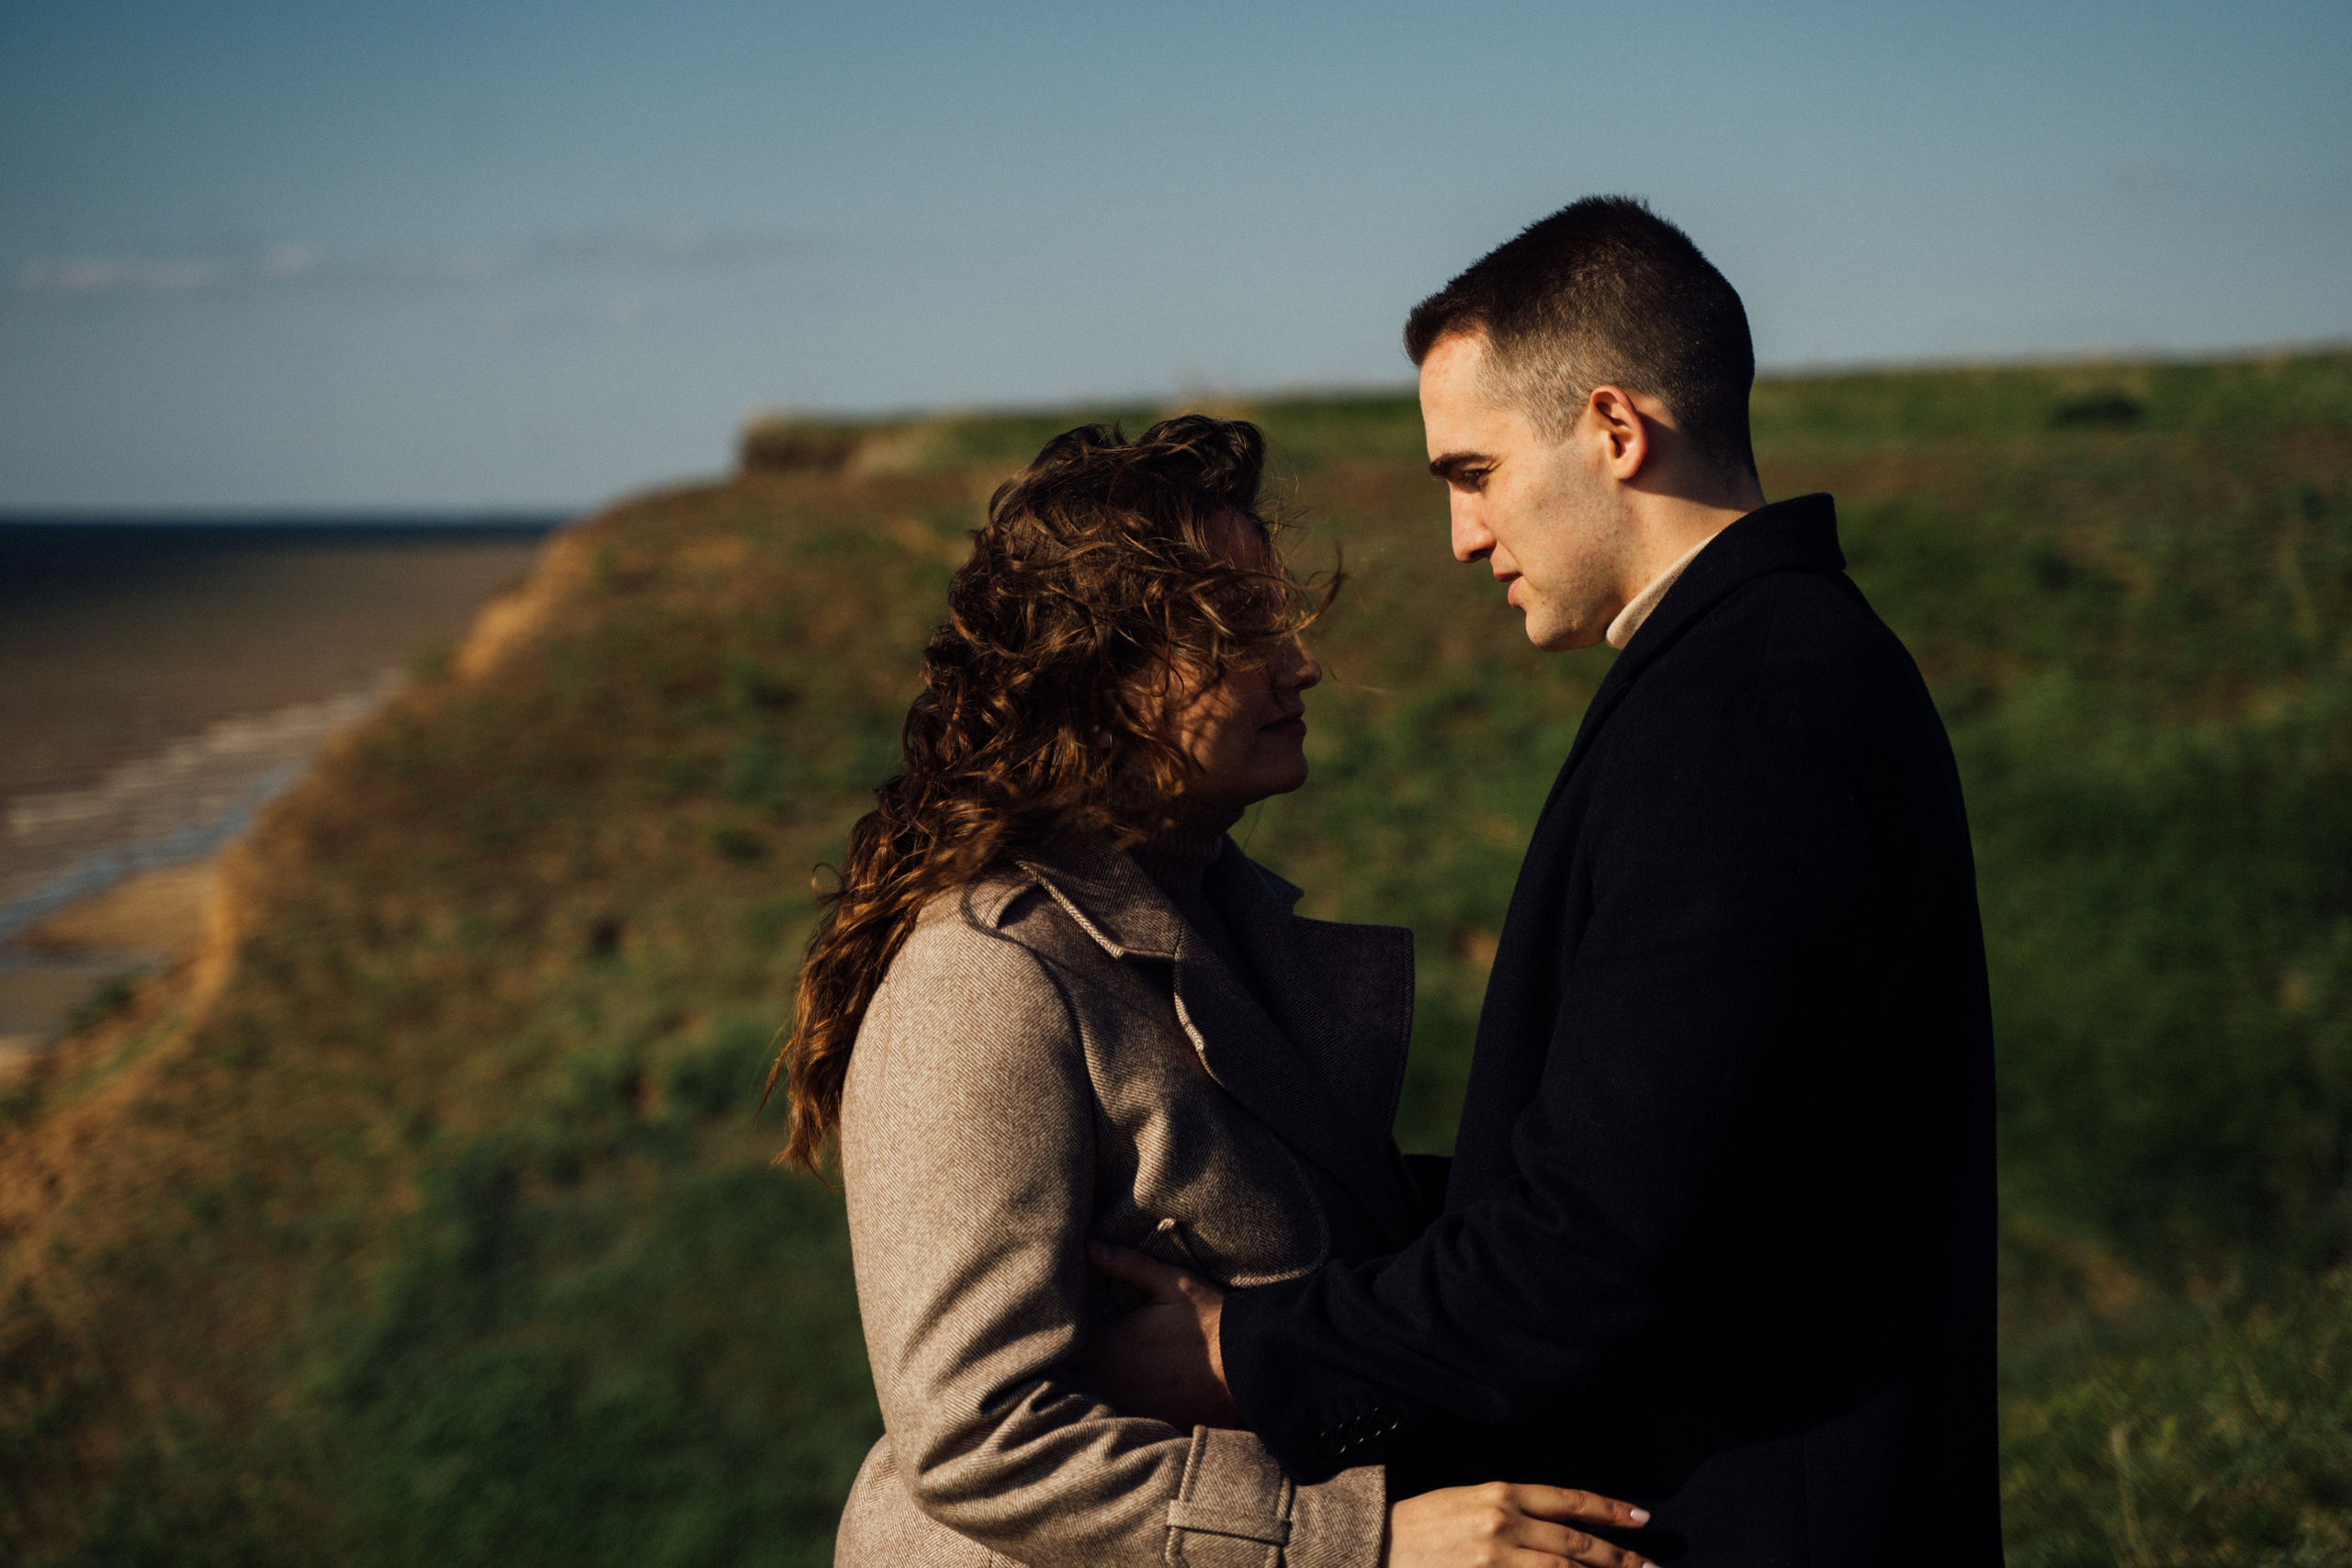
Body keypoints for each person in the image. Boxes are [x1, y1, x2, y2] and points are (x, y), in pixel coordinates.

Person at [1085, 199, 2002, 1566]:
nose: (1462, 534)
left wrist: (1247, 1352)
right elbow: (1667, 1157)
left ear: (1615, 431)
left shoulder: (1743, 714)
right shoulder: (1773, 669)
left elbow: (1601, 1238)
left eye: (1474, 470)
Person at [781, 416, 1657, 1567]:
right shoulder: (984, 974)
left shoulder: (1216, 912)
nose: (1300, 664)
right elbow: (974, 1439)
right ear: (1102, 674)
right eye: (1239, 632)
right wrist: (1364, 1543)